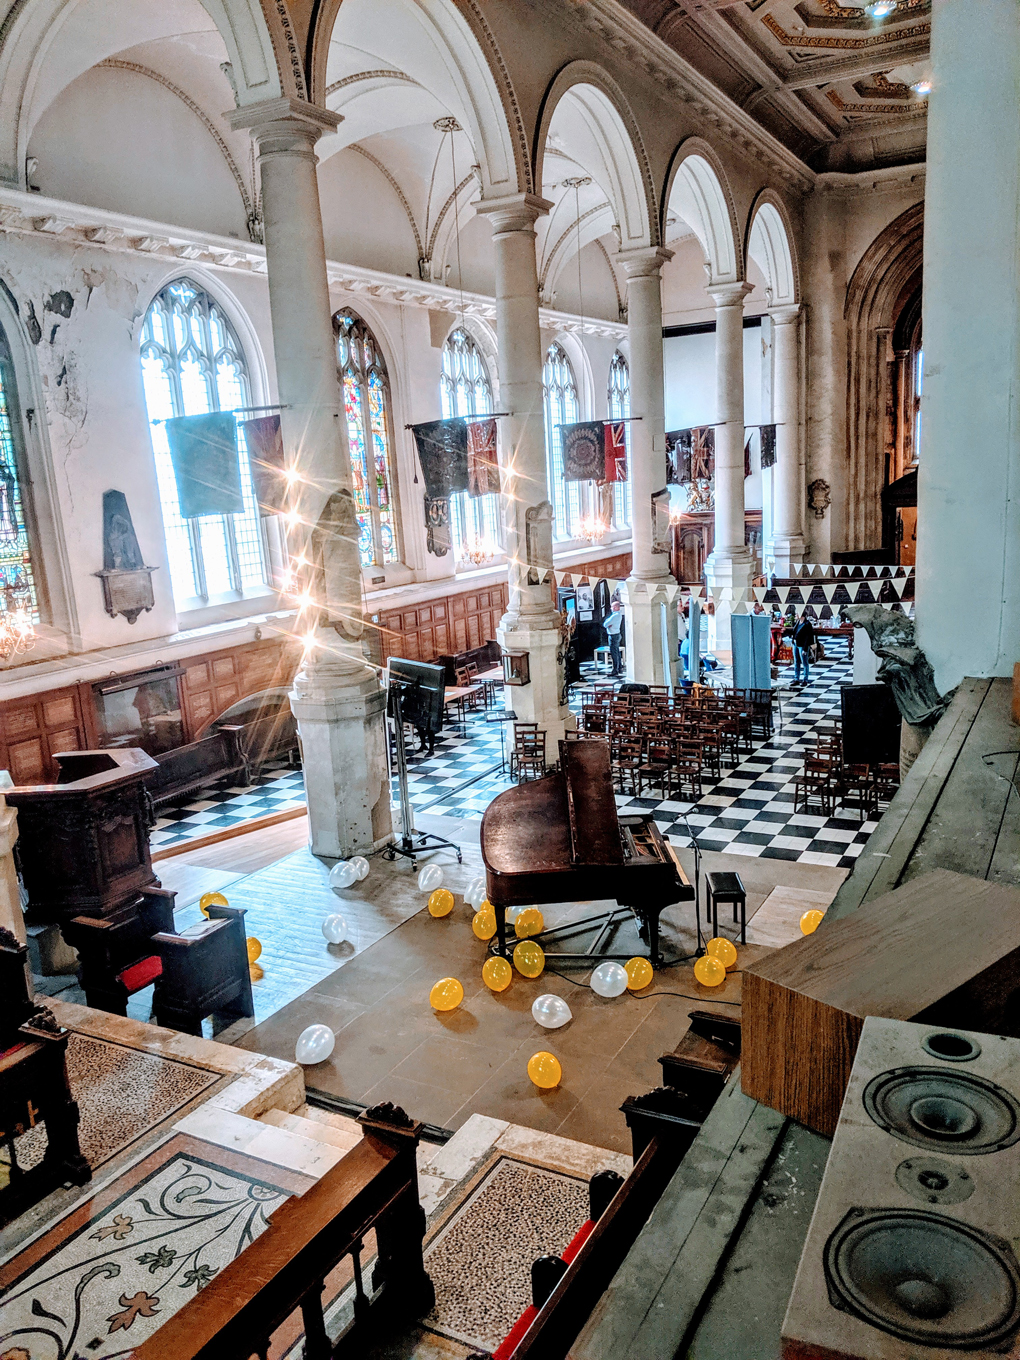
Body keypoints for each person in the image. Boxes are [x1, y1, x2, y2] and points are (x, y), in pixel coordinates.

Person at [791, 613, 815, 686]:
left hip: (802, 645)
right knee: (796, 662)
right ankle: (796, 678)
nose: (795, 615)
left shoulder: (807, 624)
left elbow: (808, 637)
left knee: (804, 662)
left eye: (797, 614)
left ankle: (805, 679)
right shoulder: (798, 622)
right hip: (795, 644)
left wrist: (805, 648)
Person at [603, 599, 624, 677]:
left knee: (614, 653)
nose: (611, 608)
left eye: (612, 607)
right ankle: (619, 667)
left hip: (613, 636)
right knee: (617, 652)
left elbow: (605, 624)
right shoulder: (617, 615)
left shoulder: (615, 616)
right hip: (617, 634)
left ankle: (615, 669)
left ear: (616, 607)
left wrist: (608, 624)